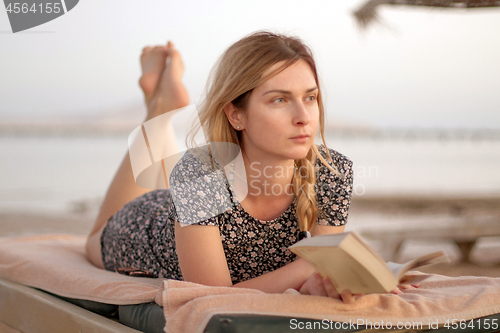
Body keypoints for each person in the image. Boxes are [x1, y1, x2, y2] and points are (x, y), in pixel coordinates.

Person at [85, 31, 412, 303]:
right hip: (145, 229)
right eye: (279, 100)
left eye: (310, 97)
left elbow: (319, 268)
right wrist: (314, 267)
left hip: (187, 206)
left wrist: (328, 269)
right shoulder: (200, 174)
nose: (303, 117)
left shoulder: (331, 170)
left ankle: (161, 100)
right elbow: (212, 296)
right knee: (92, 240)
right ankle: (158, 106)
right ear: (235, 114)